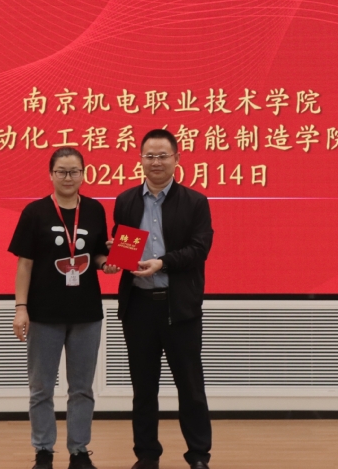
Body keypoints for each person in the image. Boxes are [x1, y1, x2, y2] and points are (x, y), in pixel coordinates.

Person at [9, 147, 121, 469]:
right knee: (41, 388)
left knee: (82, 389)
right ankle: (43, 450)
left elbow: (97, 255)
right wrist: (21, 307)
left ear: (84, 174)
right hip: (44, 314)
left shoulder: (95, 210)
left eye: (74, 171)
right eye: (62, 171)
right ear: (51, 174)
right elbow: (25, 264)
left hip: (86, 314)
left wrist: (108, 263)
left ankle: (79, 451)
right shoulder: (35, 212)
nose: (68, 177)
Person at [112, 129, 215, 469]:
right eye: (149, 156)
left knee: (191, 387)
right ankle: (146, 455)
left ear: (176, 159)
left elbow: (199, 249)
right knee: (143, 389)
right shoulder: (126, 201)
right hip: (138, 307)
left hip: (179, 308)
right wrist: (116, 258)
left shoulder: (195, 202)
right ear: (140, 159)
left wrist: (162, 262)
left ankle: (198, 456)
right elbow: (123, 246)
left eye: (162, 156)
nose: (155, 162)